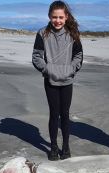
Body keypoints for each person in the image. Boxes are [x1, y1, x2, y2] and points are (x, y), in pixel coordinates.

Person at [32, 1, 83, 160]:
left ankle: (66, 146)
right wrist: (49, 70)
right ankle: (53, 147)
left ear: (66, 17)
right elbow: (36, 57)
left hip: (67, 81)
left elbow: (79, 57)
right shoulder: (42, 33)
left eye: (61, 17)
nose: (58, 20)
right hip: (51, 81)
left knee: (65, 114)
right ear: (49, 16)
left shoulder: (73, 34)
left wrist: (69, 70)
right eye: (54, 17)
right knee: (54, 114)